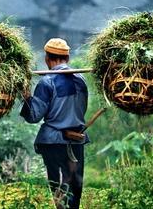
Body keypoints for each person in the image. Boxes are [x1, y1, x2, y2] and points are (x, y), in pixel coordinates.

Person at [20, 38, 89, 209]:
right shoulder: (81, 80)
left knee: (59, 188)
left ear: (47, 58)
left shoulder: (47, 82)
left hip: (54, 143)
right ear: (68, 58)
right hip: (76, 141)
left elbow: (34, 116)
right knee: (75, 187)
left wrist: (27, 97)